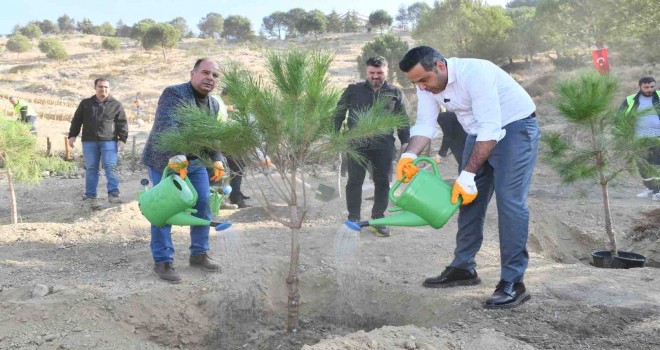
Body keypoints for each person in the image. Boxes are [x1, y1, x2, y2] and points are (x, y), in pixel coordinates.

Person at [397, 46, 540, 309]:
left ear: (440, 66)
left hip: (515, 129)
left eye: (424, 80)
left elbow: (491, 127)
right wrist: (409, 156)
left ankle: (513, 282)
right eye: (415, 82)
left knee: (509, 204)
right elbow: (426, 125)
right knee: (467, 199)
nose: (422, 87)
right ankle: (463, 268)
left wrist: (467, 174)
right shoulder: (426, 84)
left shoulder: (476, 72)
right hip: (478, 132)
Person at [141, 58, 225, 283]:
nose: (210, 78)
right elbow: (168, 126)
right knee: (164, 209)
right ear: (193, 73)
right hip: (166, 162)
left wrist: (216, 159)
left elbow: (211, 135)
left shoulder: (214, 104)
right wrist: (177, 155)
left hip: (195, 162)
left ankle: (199, 254)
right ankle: (163, 261)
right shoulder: (174, 94)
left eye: (215, 76)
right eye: (206, 72)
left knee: (203, 204)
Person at [334, 56, 410, 237]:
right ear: (366, 72)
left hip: (384, 145)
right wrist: (334, 134)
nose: (375, 76)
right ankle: (353, 219)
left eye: (380, 73)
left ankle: (378, 219)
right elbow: (339, 112)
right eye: (372, 73)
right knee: (354, 181)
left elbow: (403, 121)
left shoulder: (395, 93)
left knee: (383, 182)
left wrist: (405, 142)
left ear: (387, 72)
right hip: (356, 143)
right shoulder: (353, 90)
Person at [68, 78, 128, 206]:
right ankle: (90, 196)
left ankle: (113, 194)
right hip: (89, 141)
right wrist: (72, 135)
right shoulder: (86, 103)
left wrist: (122, 139)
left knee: (110, 166)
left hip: (109, 141)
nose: (103, 89)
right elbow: (77, 120)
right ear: (95, 88)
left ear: (109, 88)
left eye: (106, 87)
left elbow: (122, 123)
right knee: (91, 168)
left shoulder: (116, 104)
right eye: (100, 87)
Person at [620, 76, 660, 201]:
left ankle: (659, 190)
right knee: (643, 165)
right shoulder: (630, 99)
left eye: (652, 87)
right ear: (640, 86)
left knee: (657, 163)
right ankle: (651, 189)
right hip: (639, 138)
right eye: (646, 87)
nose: (649, 89)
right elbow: (620, 117)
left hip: (658, 137)